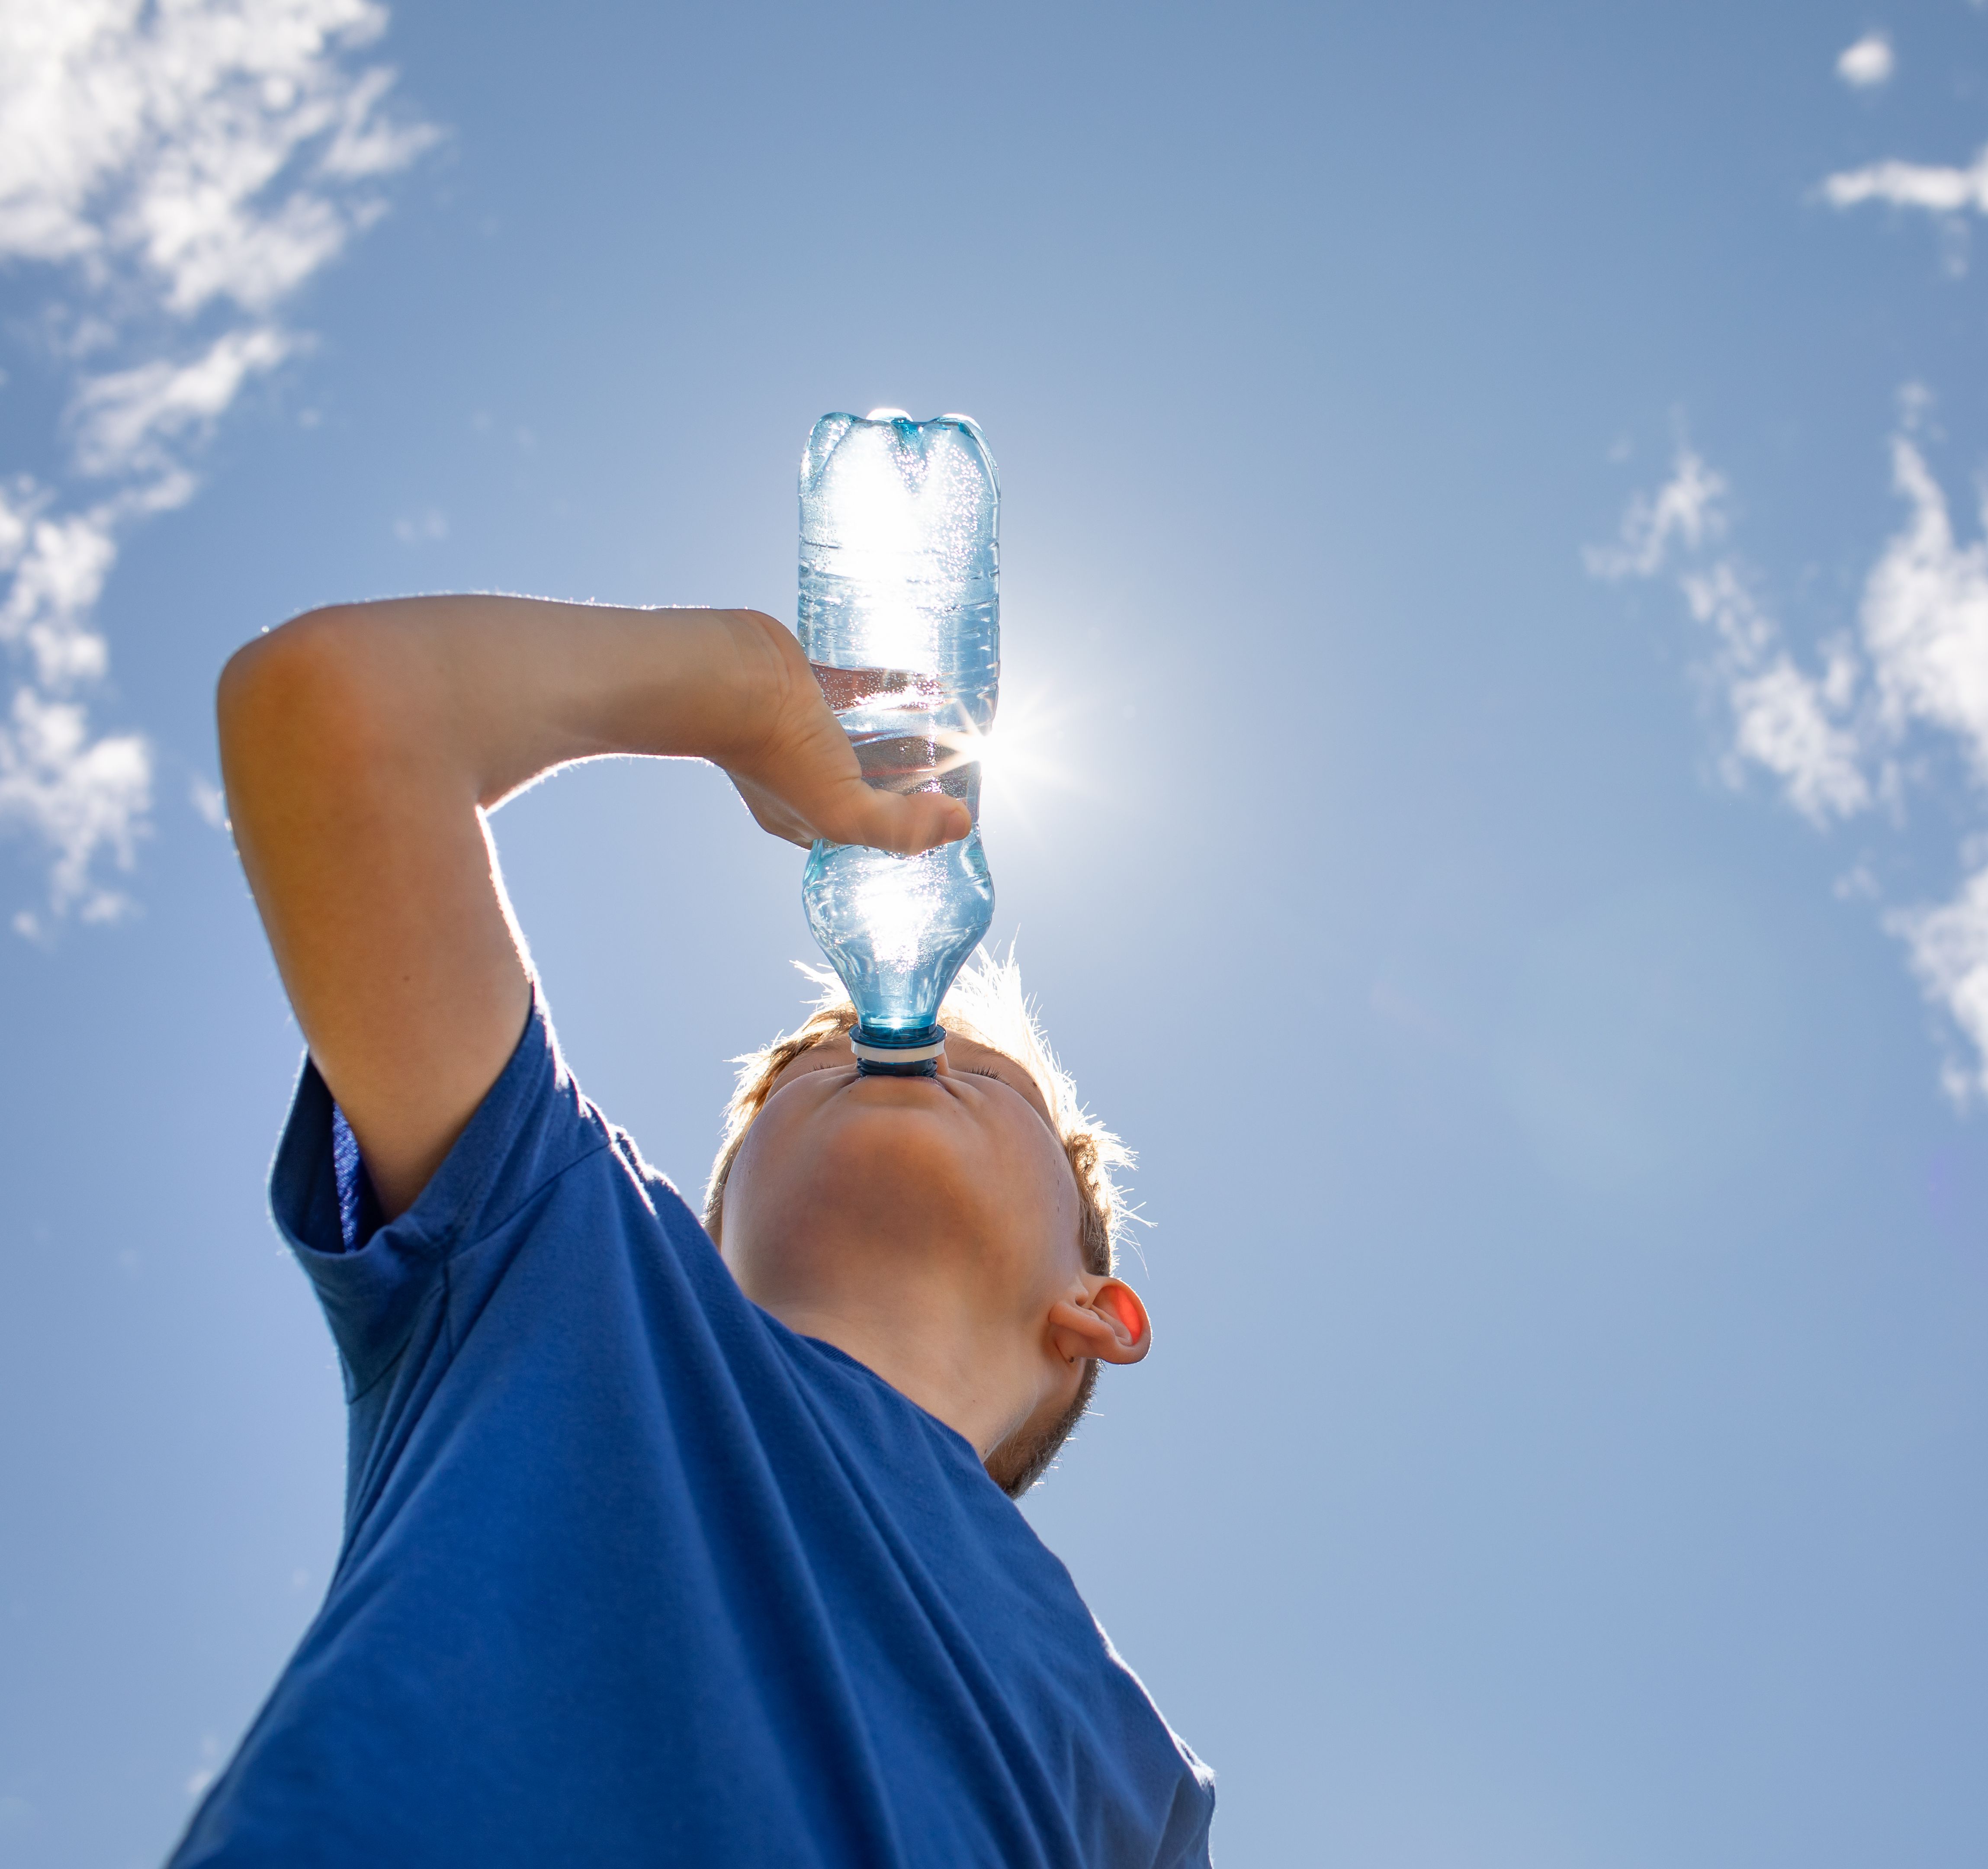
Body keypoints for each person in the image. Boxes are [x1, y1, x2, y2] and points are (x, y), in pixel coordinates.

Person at [173, 595, 1216, 1867]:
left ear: (1095, 1313)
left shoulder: (1133, 1764)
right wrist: (742, 686)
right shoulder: (570, 1263)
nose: (891, 1039)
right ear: (715, 1234)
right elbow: (334, 705)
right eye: (802, 1070)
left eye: (991, 1080)